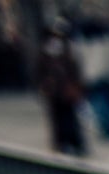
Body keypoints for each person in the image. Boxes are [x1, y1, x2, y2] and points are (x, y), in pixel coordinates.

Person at [39, 19, 88, 156]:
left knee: (71, 118)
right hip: (54, 91)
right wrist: (44, 84)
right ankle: (61, 143)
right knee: (57, 118)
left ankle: (75, 143)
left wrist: (78, 87)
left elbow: (76, 70)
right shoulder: (45, 51)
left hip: (67, 90)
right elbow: (40, 71)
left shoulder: (69, 50)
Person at [73, 10, 109, 140]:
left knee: (98, 104)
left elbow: (79, 60)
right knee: (107, 103)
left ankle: (107, 127)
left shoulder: (81, 42)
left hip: (92, 76)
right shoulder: (106, 39)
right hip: (104, 75)